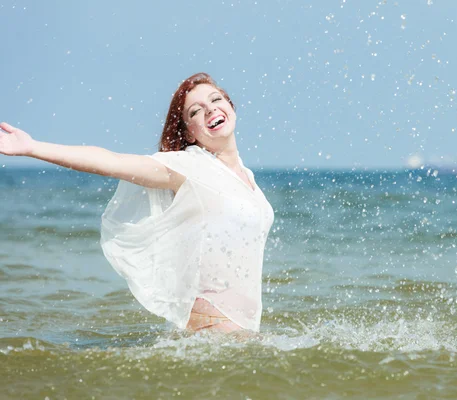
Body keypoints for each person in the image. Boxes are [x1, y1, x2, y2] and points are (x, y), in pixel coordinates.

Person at [0, 72, 274, 334]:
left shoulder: (247, 178)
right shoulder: (190, 167)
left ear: (230, 106)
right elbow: (113, 162)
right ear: (189, 133)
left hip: (240, 326)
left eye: (215, 100)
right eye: (195, 111)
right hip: (213, 323)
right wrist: (32, 147)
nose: (210, 109)